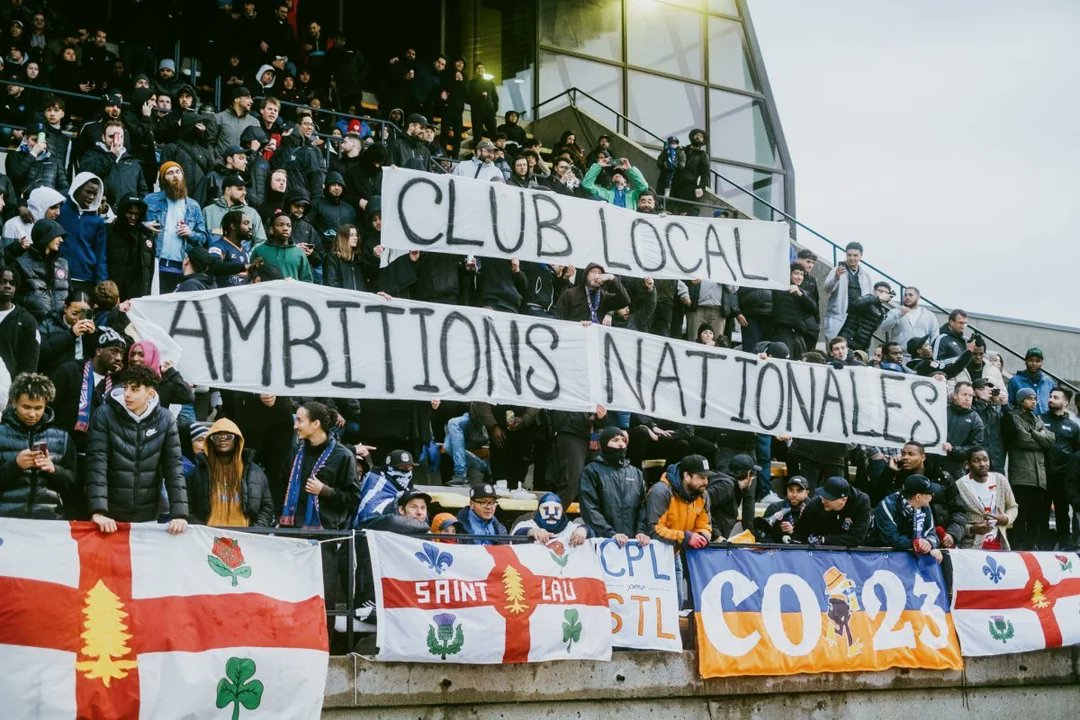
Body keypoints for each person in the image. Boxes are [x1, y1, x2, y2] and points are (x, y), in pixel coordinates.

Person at [85, 365, 188, 533]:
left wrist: (180, 514)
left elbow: (174, 468)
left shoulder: (166, 419)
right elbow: (97, 463)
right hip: (110, 515)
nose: (127, 394)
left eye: (134, 389)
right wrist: (98, 511)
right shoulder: (104, 414)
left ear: (150, 393)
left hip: (148, 515)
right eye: (126, 387)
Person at [0, 372, 77, 519]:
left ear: (46, 404)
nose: (32, 414)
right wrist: (15, 465)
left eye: (38, 408)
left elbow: (75, 486)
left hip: (49, 520)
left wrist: (55, 470)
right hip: (5, 520)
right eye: (26, 407)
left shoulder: (62, 437)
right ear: (14, 402)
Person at [279, 401, 358, 529]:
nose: (295, 426)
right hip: (291, 529)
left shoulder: (343, 456)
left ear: (316, 424)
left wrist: (325, 491)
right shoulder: (295, 451)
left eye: (300, 421)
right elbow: (282, 487)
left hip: (326, 533)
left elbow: (353, 499)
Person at [50, 326, 126, 450]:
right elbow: (49, 407)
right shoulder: (70, 371)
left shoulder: (116, 386)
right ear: (99, 351)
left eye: (121, 353)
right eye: (114, 351)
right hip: (60, 445)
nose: (119, 358)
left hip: (94, 451)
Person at [188, 418, 274, 527]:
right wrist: (202, 530)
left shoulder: (254, 472)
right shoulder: (199, 471)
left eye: (228, 436)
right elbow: (188, 506)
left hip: (245, 535)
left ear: (237, 439)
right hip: (209, 535)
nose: (222, 440)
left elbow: (266, 507)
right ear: (210, 441)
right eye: (217, 437)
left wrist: (255, 530)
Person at [577, 426, 651, 546]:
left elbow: (642, 507)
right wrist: (610, 534)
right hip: (602, 543)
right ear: (604, 444)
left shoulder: (636, 473)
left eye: (623, 440)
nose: (621, 444)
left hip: (633, 544)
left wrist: (641, 531)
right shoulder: (591, 471)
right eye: (615, 440)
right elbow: (589, 509)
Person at [144, 161, 211, 293]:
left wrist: (190, 233)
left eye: (178, 172)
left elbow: (203, 237)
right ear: (163, 179)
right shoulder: (150, 200)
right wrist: (145, 226)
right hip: (155, 264)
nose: (175, 176)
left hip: (182, 268)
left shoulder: (193, 206)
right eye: (170, 173)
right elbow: (135, 224)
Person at [1007, 387, 1056, 550]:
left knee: (1036, 516)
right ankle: (1018, 546)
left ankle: (1032, 546)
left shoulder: (1037, 418)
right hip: (1021, 476)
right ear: (1021, 400)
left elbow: (1050, 440)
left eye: (1035, 398)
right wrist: (1040, 438)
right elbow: (1022, 439)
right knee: (1021, 515)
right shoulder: (1014, 417)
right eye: (1029, 398)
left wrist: (1033, 433)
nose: (1033, 401)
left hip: (1039, 477)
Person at [955, 447, 1018, 550]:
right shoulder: (960, 486)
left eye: (985, 459)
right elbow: (954, 519)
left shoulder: (1000, 480)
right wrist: (972, 529)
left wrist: (1007, 518)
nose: (982, 464)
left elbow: (1013, 506)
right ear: (967, 464)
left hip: (999, 544)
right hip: (971, 548)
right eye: (976, 461)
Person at [869, 474, 942, 561]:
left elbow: (931, 532)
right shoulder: (887, 505)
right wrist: (916, 544)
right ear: (918, 497)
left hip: (908, 556)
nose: (932, 496)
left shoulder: (925, 506)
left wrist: (928, 543)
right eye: (929, 494)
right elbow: (891, 538)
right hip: (879, 557)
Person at [647, 454, 713, 548]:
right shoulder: (661, 492)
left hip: (684, 550)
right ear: (687, 476)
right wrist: (685, 538)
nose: (706, 482)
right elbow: (654, 530)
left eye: (707, 478)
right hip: (660, 550)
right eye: (701, 477)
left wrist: (702, 536)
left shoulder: (702, 494)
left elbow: (705, 526)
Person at [1043, 387, 1080, 550]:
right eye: (1050, 396)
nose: (1051, 399)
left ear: (1065, 402)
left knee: (1062, 513)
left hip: (1063, 477)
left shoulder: (1073, 426)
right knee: (1041, 513)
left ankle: (1065, 545)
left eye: (1056, 397)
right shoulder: (1040, 420)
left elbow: (1076, 452)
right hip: (1043, 475)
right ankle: (1041, 546)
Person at [57, 173, 108, 292]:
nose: (91, 197)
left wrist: (101, 283)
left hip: (85, 279)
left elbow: (101, 255)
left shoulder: (97, 221)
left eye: (95, 194)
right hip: (58, 274)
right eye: (88, 192)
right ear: (77, 188)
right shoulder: (59, 211)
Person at [12, 217, 68, 323]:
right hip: (33, 325)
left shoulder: (63, 263)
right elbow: (13, 298)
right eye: (57, 235)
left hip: (60, 325)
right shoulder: (20, 263)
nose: (61, 240)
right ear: (46, 236)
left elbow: (69, 293)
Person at [793, 476, 871, 546]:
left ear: (843, 499)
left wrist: (824, 540)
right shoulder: (816, 504)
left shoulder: (861, 503)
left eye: (829, 498)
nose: (823, 501)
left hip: (852, 553)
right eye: (823, 496)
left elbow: (856, 538)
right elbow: (800, 533)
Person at [105, 194, 155, 299]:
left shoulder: (147, 236)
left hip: (137, 294)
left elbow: (149, 270)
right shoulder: (109, 232)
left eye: (136, 214)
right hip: (113, 291)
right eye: (129, 213)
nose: (133, 217)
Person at [821, 242, 872, 342]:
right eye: (849, 255)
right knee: (834, 346)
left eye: (855, 255)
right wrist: (836, 277)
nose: (852, 258)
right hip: (838, 317)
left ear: (861, 255)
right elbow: (827, 288)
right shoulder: (837, 270)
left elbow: (869, 297)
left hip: (857, 319)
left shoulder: (866, 276)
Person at [38, 290, 95, 376]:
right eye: (74, 314)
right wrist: (71, 334)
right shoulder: (48, 323)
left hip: (82, 375)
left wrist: (93, 336)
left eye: (84, 314)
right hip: (56, 375)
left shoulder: (90, 326)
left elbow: (97, 357)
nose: (78, 319)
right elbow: (42, 353)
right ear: (65, 308)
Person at [353, 449, 416, 525]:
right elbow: (365, 516)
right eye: (403, 469)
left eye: (410, 469)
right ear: (389, 469)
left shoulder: (404, 488)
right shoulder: (376, 483)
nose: (407, 473)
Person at [553, 263, 631, 323]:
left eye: (599, 273)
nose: (596, 275)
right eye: (593, 272)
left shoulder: (604, 297)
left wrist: (612, 278)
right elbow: (558, 319)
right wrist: (577, 325)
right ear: (586, 275)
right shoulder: (570, 294)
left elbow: (625, 300)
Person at [770, 263, 818, 358]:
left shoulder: (802, 293)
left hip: (798, 333)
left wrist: (800, 294)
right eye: (796, 273)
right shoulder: (780, 289)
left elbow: (813, 308)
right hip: (783, 332)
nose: (799, 277)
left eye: (802, 274)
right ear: (789, 274)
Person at [202, 173, 266, 244]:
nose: (244, 193)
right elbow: (201, 239)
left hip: (243, 251)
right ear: (228, 190)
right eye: (240, 189)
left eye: (245, 190)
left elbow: (261, 241)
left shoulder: (252, 213)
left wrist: (247, 252)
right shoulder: (208, 211)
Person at [250, 212, 314, 282]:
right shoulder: (260, 251)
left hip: (292, 289)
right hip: (267, 289)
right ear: (271, 230)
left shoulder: (299, 253)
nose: (285, 228)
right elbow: (251, 276)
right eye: (280, 225)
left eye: (288, 225)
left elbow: (307, 280)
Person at [512, 492, 592, 547]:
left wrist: (584, 530)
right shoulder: (527, 525)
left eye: (556, 509)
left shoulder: (571, 528)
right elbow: (514, 537)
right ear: (539, 510)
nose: (551, 513)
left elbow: (593, 537)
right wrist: (530, 531)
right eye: (546, 508)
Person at [706, 453, 757, 539]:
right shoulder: (726, 486)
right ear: (748, 474)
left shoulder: (732, 487)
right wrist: (716, 534)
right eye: (753, 475)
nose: (753, 479)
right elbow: (701, 505)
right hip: (708, 539)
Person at [0, 267, 39, 379]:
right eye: (3, 281)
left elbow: (29, 365)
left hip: (8, 385)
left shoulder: (27, 321)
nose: (8, 286)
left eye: (12, 283)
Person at [942, 381, 986, 478]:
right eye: (964, 394)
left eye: (970, 396)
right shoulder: (942, 411)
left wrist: (953, 449)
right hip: (935, 464)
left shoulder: (975, 419)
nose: (967, 398)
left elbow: (975, 447)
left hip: (957, 469)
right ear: (955, 395)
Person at [878, 286, 937, 358]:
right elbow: (883, 327)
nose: (907, 297)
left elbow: (935, 335)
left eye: (910, 295)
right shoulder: (895, 312)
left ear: (918, 297)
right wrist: (899, 314)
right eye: (905, 295)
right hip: (900, 355)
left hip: (922, 356)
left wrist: (933, 355)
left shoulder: (929, 315)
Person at [837, 281, 893, 353]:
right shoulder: (868, 298)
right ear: (874, 291)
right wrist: (878, 298)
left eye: (886, 293)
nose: (883, 294)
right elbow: (856, 304)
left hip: (862, 345)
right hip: (848, 339)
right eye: (881, 291)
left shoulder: (880, 309)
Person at [754, 476, 810, 543]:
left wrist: (793, 533)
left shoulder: (812, 510)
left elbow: (814, 539)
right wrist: (779, 535)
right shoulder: (775, 508)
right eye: (791, 490)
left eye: (799, 491)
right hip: (777, 548)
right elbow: (762, 535)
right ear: (787, 491)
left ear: (806, 493)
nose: (794, 495)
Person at [582, 157, 648, 209]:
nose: (617, 175)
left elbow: (643, 187)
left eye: (621, 175)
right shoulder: (604, 193)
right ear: (611, 181)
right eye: (614, 175)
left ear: (626, 182)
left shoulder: (633, 195)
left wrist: (629, 169)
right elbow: (586, 184)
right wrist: (598, 166)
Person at [670, 128, 710, 216]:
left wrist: (702, 188)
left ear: (703, 140)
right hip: (675, 183)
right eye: (696, 135)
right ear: (692, 137)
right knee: (670, 208)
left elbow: (705, 174)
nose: (698, 137)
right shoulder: (682, 150)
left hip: (689, 186)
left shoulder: (703, 156)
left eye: (701, 136)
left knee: (684, 211)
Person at [971, 377, 1007, 472]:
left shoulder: (995, 409)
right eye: (982, 389)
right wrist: (983, 402)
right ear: (974, 392)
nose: (986, 391)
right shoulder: (971, 409)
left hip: (997, 458)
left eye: (988, 389)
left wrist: (1004, 405)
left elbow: (1009, 426)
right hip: (979, 459)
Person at [1007, 347, 1056, 415]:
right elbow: (1010, 403)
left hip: (1046, 419)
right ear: (1025, 361)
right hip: (1023, 419)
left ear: (1041, 363)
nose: (1034, 364)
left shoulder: (1049, 382)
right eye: (1031, 360)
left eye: (1038, 361)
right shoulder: (1015, 381)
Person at [466, 62, 497, 141]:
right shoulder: (470, 83)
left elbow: (495, 98)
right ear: (475, 71)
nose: (480, 69)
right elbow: (467, 99)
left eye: (482, 68)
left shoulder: (491, 83)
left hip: (489, 112)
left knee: (493, 133)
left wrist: (494, 110)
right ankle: (478, 148)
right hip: (476, 112)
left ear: (484, 70)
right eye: (478, 68)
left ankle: (494, 149)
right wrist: (479, 97)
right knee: (477, 135)